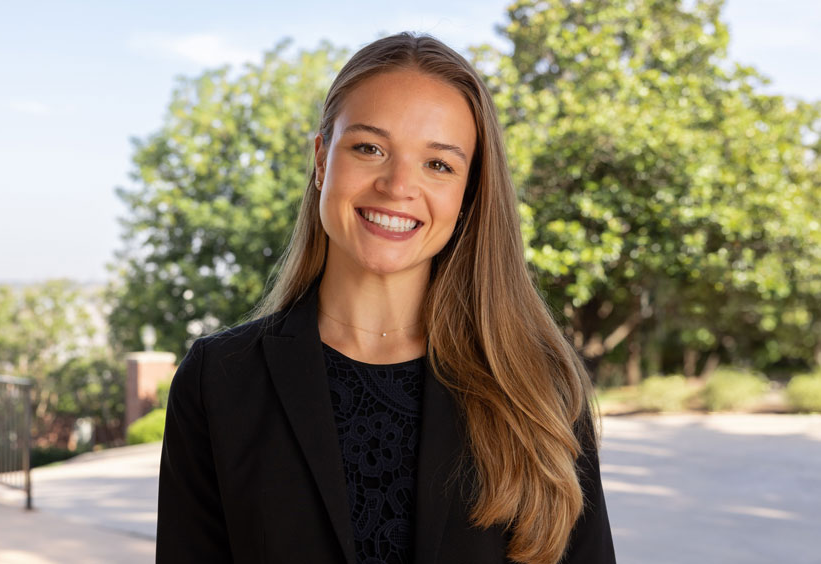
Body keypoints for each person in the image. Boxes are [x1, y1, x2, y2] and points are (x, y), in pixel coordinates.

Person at [156, 32, 616, 564]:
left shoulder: (536, 388)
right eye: (369, 148)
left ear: (469, 193)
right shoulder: (218, 379)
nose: (398, 186)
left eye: (438, 164)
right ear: (322, 159)